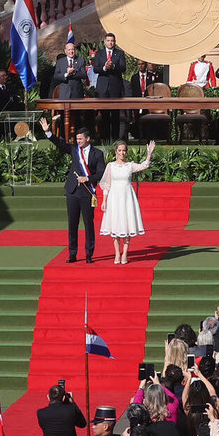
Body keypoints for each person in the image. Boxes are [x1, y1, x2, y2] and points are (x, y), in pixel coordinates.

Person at [40, 117, 106, 263]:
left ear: (88, 139)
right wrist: (48, 132)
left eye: (80, 139)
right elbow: (60, 144)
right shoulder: (74, 150)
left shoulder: (97, 154)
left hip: (87, 193)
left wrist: (87, 178)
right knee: (72, 224)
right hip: (72, 192)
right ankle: (72, 254)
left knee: (88, 224)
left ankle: (89, 254)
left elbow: (101, 173)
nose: (78, 141)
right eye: (76, 139)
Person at [99, 140, 155, 264]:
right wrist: (104, 200)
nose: (122, 153)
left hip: (127, 198)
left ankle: (125, 254)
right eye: (119, 150)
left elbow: (144, 165)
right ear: (116, 152)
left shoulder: (130, 165)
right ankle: (117, 254)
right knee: (115, 225)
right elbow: (107, 184)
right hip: (114, 198)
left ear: (126, 152)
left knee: (126, 224)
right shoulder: (111, 166)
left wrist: (149, 154)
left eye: (124, 150)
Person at [93, 33, 126, 141]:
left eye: (112, 41)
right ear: (104, 42)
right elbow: (95, 69)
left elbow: (123, 68)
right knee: (104, 114)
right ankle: (106, 139)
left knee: (115, 114)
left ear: (115, 42)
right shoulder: (100, 53)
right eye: (108, 40)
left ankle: (116, 140)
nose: (110, 42)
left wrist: (113, 66)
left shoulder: (119, 53)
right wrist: (105, 67)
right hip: (103, 87)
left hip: (115, 87)